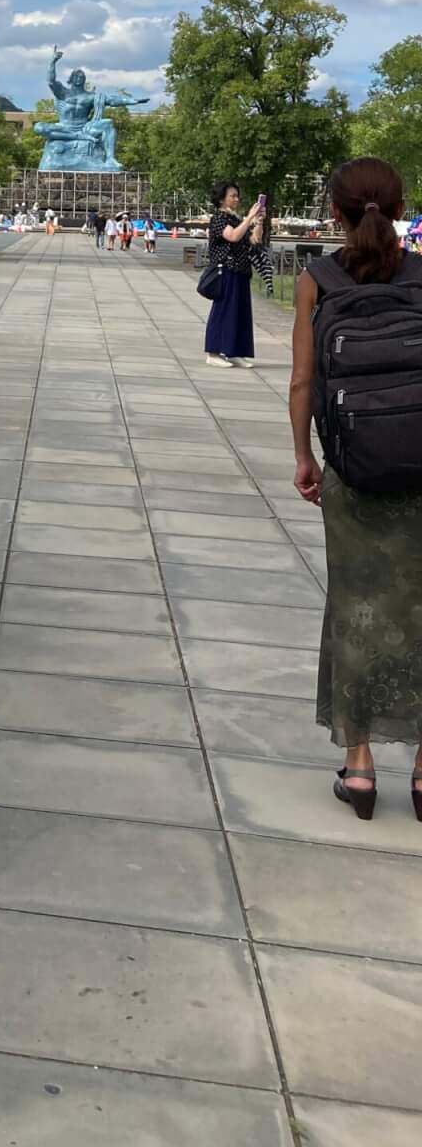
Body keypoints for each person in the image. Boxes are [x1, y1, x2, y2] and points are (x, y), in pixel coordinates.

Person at [289, 157, 422, 821]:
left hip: (354, 468)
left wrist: (304, 458)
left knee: (357, 606)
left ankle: (361, 767)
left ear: (334, 212)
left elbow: (303, 384)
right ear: (399, 207)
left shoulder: (318, 278)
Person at [204, 181, 265, 367]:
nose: (236, 199)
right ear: (222, 199)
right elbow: (233, 236)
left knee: (240, 313)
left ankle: (234, 351)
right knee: (223, 311)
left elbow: (255, 239)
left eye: (237, 196)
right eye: (232, 196)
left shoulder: (237, 219)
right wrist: (249, 218)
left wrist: (258, 221)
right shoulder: (219, 218)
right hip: (226, 270)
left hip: (241, 270)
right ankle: (213, 352)